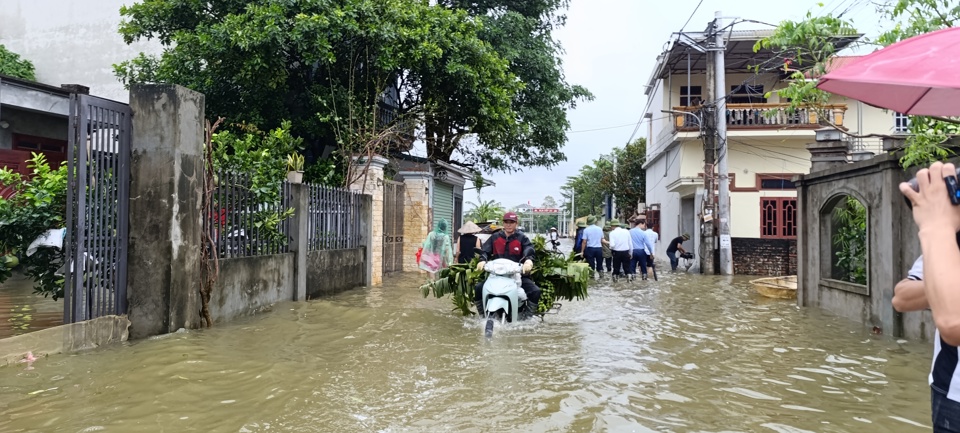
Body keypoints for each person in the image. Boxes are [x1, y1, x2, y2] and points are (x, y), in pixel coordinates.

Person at [898, 161, 960, 431]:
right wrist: (945, 281)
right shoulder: (950, 244)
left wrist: (935, 228)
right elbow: (901, 298)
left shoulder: (943, 236)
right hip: (950, 389)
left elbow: (953, 324)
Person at [474, 212, 541, 314]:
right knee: (478, 288)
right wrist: (482, 260)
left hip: (517, 275)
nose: (509, 225)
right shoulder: (495, 237)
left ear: (516, 223)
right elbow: (485, 251)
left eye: (512, 222)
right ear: (503, 223)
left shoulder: (522, 238)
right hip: (496, 275)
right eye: (506, 222)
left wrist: (528, 261)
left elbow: (529, 249)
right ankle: (482, 315)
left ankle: (527, 317)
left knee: (535, 291)